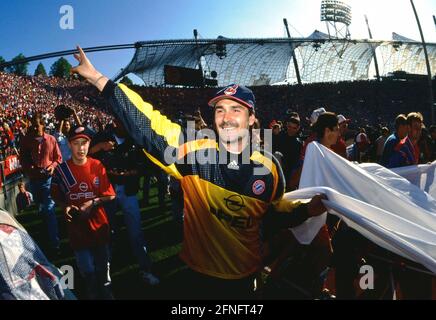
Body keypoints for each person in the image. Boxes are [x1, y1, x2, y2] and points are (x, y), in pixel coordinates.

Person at [71, 46, 327, 299]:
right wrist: (98, 79)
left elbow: (273, 214)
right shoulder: (195, 154)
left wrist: (306, 210)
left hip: (244, 278)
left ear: (251, 119)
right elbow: (149, 125)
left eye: (235, 109)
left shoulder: (270, 168)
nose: (226, 117)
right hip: (197, 276)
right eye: (220, 109)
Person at [51, 125, 116, 299]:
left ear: (89, 144)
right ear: (69, 145)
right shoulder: (61, 171)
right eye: (76, 143)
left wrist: (92, 203)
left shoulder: (97, 165)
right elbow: (56, 196)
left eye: (84, 143)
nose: (81, 148)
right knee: (86, 267)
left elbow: (110, 195)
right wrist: (64, 206)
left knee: (103, 263)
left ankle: (105, 288)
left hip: (99, 225)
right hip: (77, 229)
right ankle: (92, 290)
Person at [19, 113, 62, 253]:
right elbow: (23, 159)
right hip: (34, 180)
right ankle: (45, 236)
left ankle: (55, 243)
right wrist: (28, 168)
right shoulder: (26, 140)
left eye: (37, 125)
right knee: (41, 209)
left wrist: (52, 166)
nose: (35, 127)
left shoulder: (51, 139)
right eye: (33, 125)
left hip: (48, 180)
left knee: (49, 210)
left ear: (43, 125)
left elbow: (58, 158)